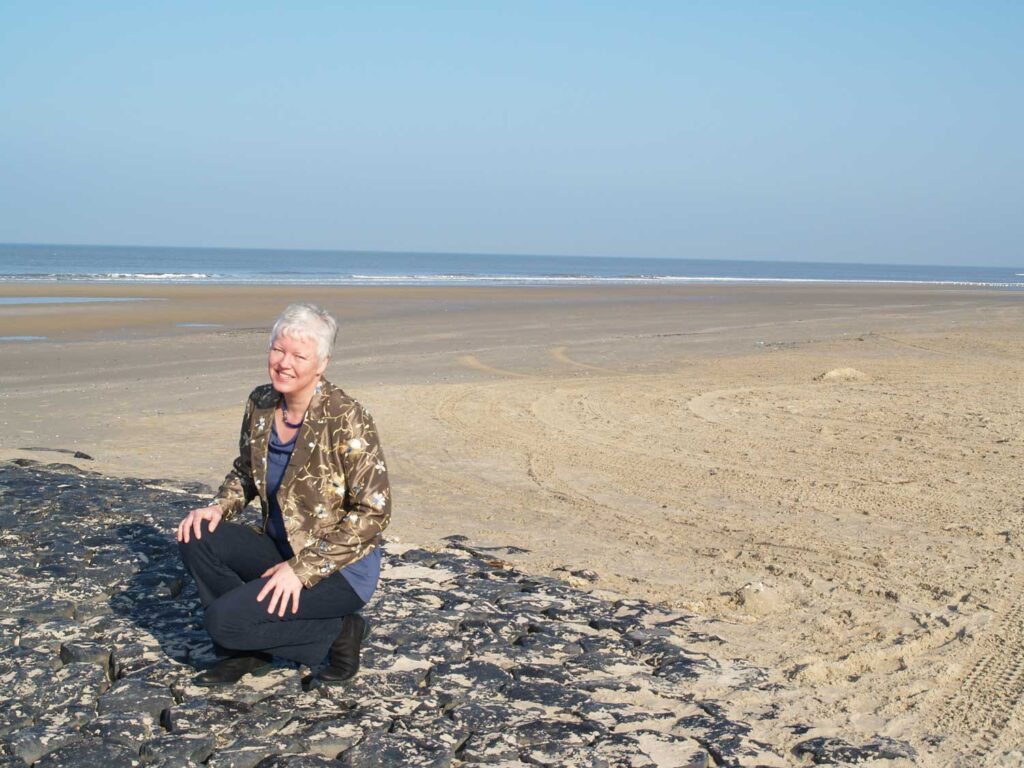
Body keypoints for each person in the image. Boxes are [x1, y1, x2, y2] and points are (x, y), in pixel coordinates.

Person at [176, 303, 391, 687]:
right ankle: (248, 648)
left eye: (299, 355)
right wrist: (217, 508)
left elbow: (374, 514)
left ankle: (340, 633)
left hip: (339, 569)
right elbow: (245, 471)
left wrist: (302, 570)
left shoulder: (346, 416)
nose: (284, 363)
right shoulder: (260, 403)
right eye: (278, 349)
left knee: (221, 622)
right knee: (197, 535)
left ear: (321, 363)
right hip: (280, 547)